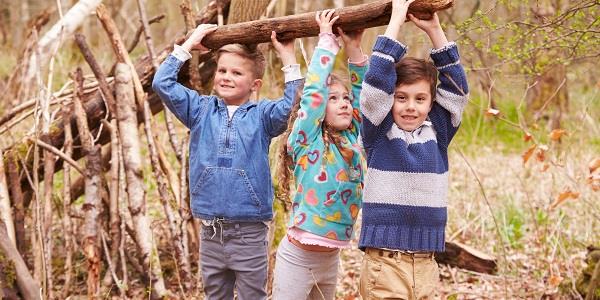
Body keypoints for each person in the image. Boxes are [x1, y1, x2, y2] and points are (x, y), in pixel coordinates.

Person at [152, 23, 303, 300]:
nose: (226, 77)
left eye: (236, 72)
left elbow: (294, 105)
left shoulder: (262, 115)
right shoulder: (199, 110)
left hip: (250, 231)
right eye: (222, 70)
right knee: (215, 295)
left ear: (255, 84)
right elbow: (162, 83)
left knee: (252, 296)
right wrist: (188, 45)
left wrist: (288, 58)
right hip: (210, 231)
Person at [358, 0, 469, 299]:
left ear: (431, 103)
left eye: (420, 99)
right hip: (385, 264)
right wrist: (395, 20)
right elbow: (375, 86)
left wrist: (436, 31)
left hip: (427, 264)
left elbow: (457, 91)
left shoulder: (438, 132)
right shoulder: (378, 132)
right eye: (401, 97)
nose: (410, 106)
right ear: (390, 100)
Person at [272, 9, 368, 300]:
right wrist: (326, 41)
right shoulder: (307, 140)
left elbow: (366, 96)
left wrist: (354, 49)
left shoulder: (354, 139)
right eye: (333, 98)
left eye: (345, 98)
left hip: (330, 260)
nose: (342, 104)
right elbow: (313, 92)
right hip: (297, 259)